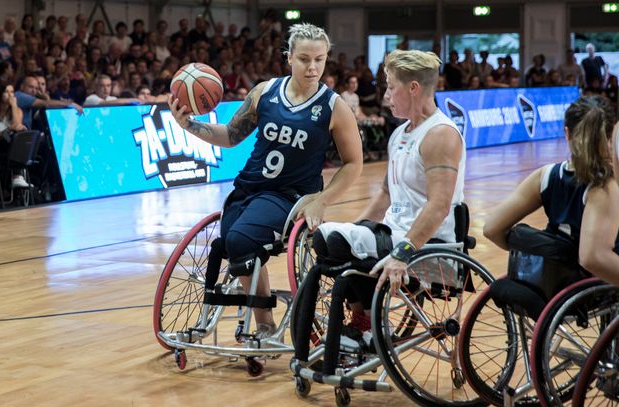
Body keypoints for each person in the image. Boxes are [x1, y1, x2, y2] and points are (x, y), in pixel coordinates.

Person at [168, 23, 364, 337]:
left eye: (319, 59)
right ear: (289, 58)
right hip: (248, 187)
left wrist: (321, 199)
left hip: (290, 195)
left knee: (241, 241)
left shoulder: (334, 107)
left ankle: (264, 325)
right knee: (230, 246)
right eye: (303, 59)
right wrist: (190, 125)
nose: (312, 67)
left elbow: (354, 163)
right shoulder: (265, 92)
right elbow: (232, 135)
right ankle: (253, 318)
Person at [313, 49, 465, 335]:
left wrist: (403, 252)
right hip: (392, 235)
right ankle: (364, 322)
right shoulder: (399, 134)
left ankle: (368, 325)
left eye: (391, 87)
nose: (385, 96)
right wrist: (353, 228)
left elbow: (440, 205)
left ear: (413, 88)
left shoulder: (441, 134)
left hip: (429, 248)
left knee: (335, 240)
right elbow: (384, 196)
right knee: (329, 239)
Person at [484, 96, 619, 286]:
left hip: (554, 277)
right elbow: (592, 258)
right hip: (589, 281)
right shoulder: (603, 186)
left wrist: (539, 256)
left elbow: (491, 228)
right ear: (611, 136)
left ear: (567, 133)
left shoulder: (546, 176)